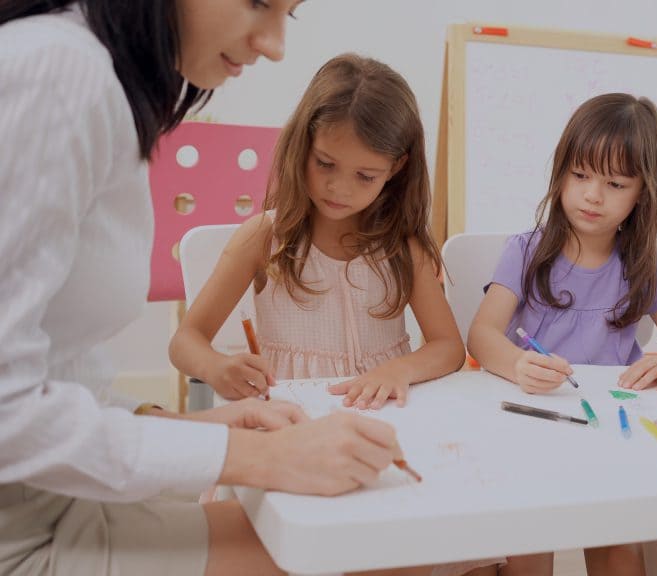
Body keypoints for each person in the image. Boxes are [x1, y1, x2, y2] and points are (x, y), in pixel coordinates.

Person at [0, 2, 420, 575]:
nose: (274, 44)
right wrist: (254, 457)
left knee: (372, 542)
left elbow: (55, 377)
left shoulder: (98, 81)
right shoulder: (61, 72)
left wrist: (186, 424)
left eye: (288, 15)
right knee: (363, 552)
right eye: (257, 2)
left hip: (57, 499)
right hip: (25, 529)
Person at [467, 93, 657, 576]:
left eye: (615, 183)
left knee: (620, 554)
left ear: (642, 192)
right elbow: (481, 334)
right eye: (580, 176)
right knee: (531, 544)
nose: (593, 196)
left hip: (608, 433)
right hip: (533, 424)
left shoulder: (642, 263)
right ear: (560, 174)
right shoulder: (526, 251)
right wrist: (516, 364)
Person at [169, 53, 465, 412]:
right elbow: (186, 341)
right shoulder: (264, 237)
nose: (339, 188)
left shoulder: (402, 245)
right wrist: (215, 366)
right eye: (325, 164)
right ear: (302, 145)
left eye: (365, 176)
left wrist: (399, 370)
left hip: (385, 418)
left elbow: (448, 347)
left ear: (396, 168)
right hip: (295, 417)